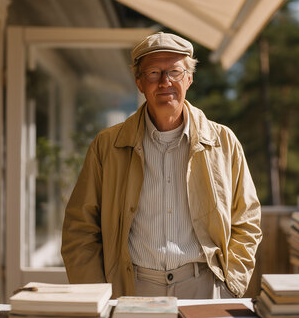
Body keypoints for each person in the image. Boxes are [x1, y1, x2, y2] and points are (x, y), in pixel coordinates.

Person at [61, 32, 262, 299]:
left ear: (189, 78)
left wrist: (231, 286)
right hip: (132, 290)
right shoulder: (107, 146)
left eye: (175, 72)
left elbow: (247, 221)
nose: (165, 82)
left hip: (205, 287)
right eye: (153, 72)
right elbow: (80, 229)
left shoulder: (223, 142)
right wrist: (97, 295)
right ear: (139, 82)